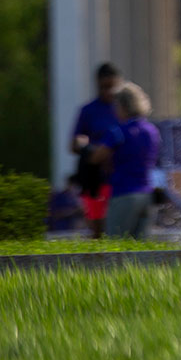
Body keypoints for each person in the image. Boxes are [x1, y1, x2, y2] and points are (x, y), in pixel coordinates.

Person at [70, 63, 125, 239]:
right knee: (97, 230)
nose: (108, 92)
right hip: (95, 178)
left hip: (119, 177)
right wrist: (82, 144)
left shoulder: (125, 111)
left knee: (119, 227)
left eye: (112, 87)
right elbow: (73, 144)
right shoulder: (88, 111)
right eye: (104, 87)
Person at [105, 83, 162, 241]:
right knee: (140, 251)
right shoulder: (151, 131)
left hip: (124, 193)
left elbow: (98, 156)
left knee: (115, 246)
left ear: (123, 105)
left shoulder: (119, 132)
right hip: (147, 194)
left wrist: (85, 148)